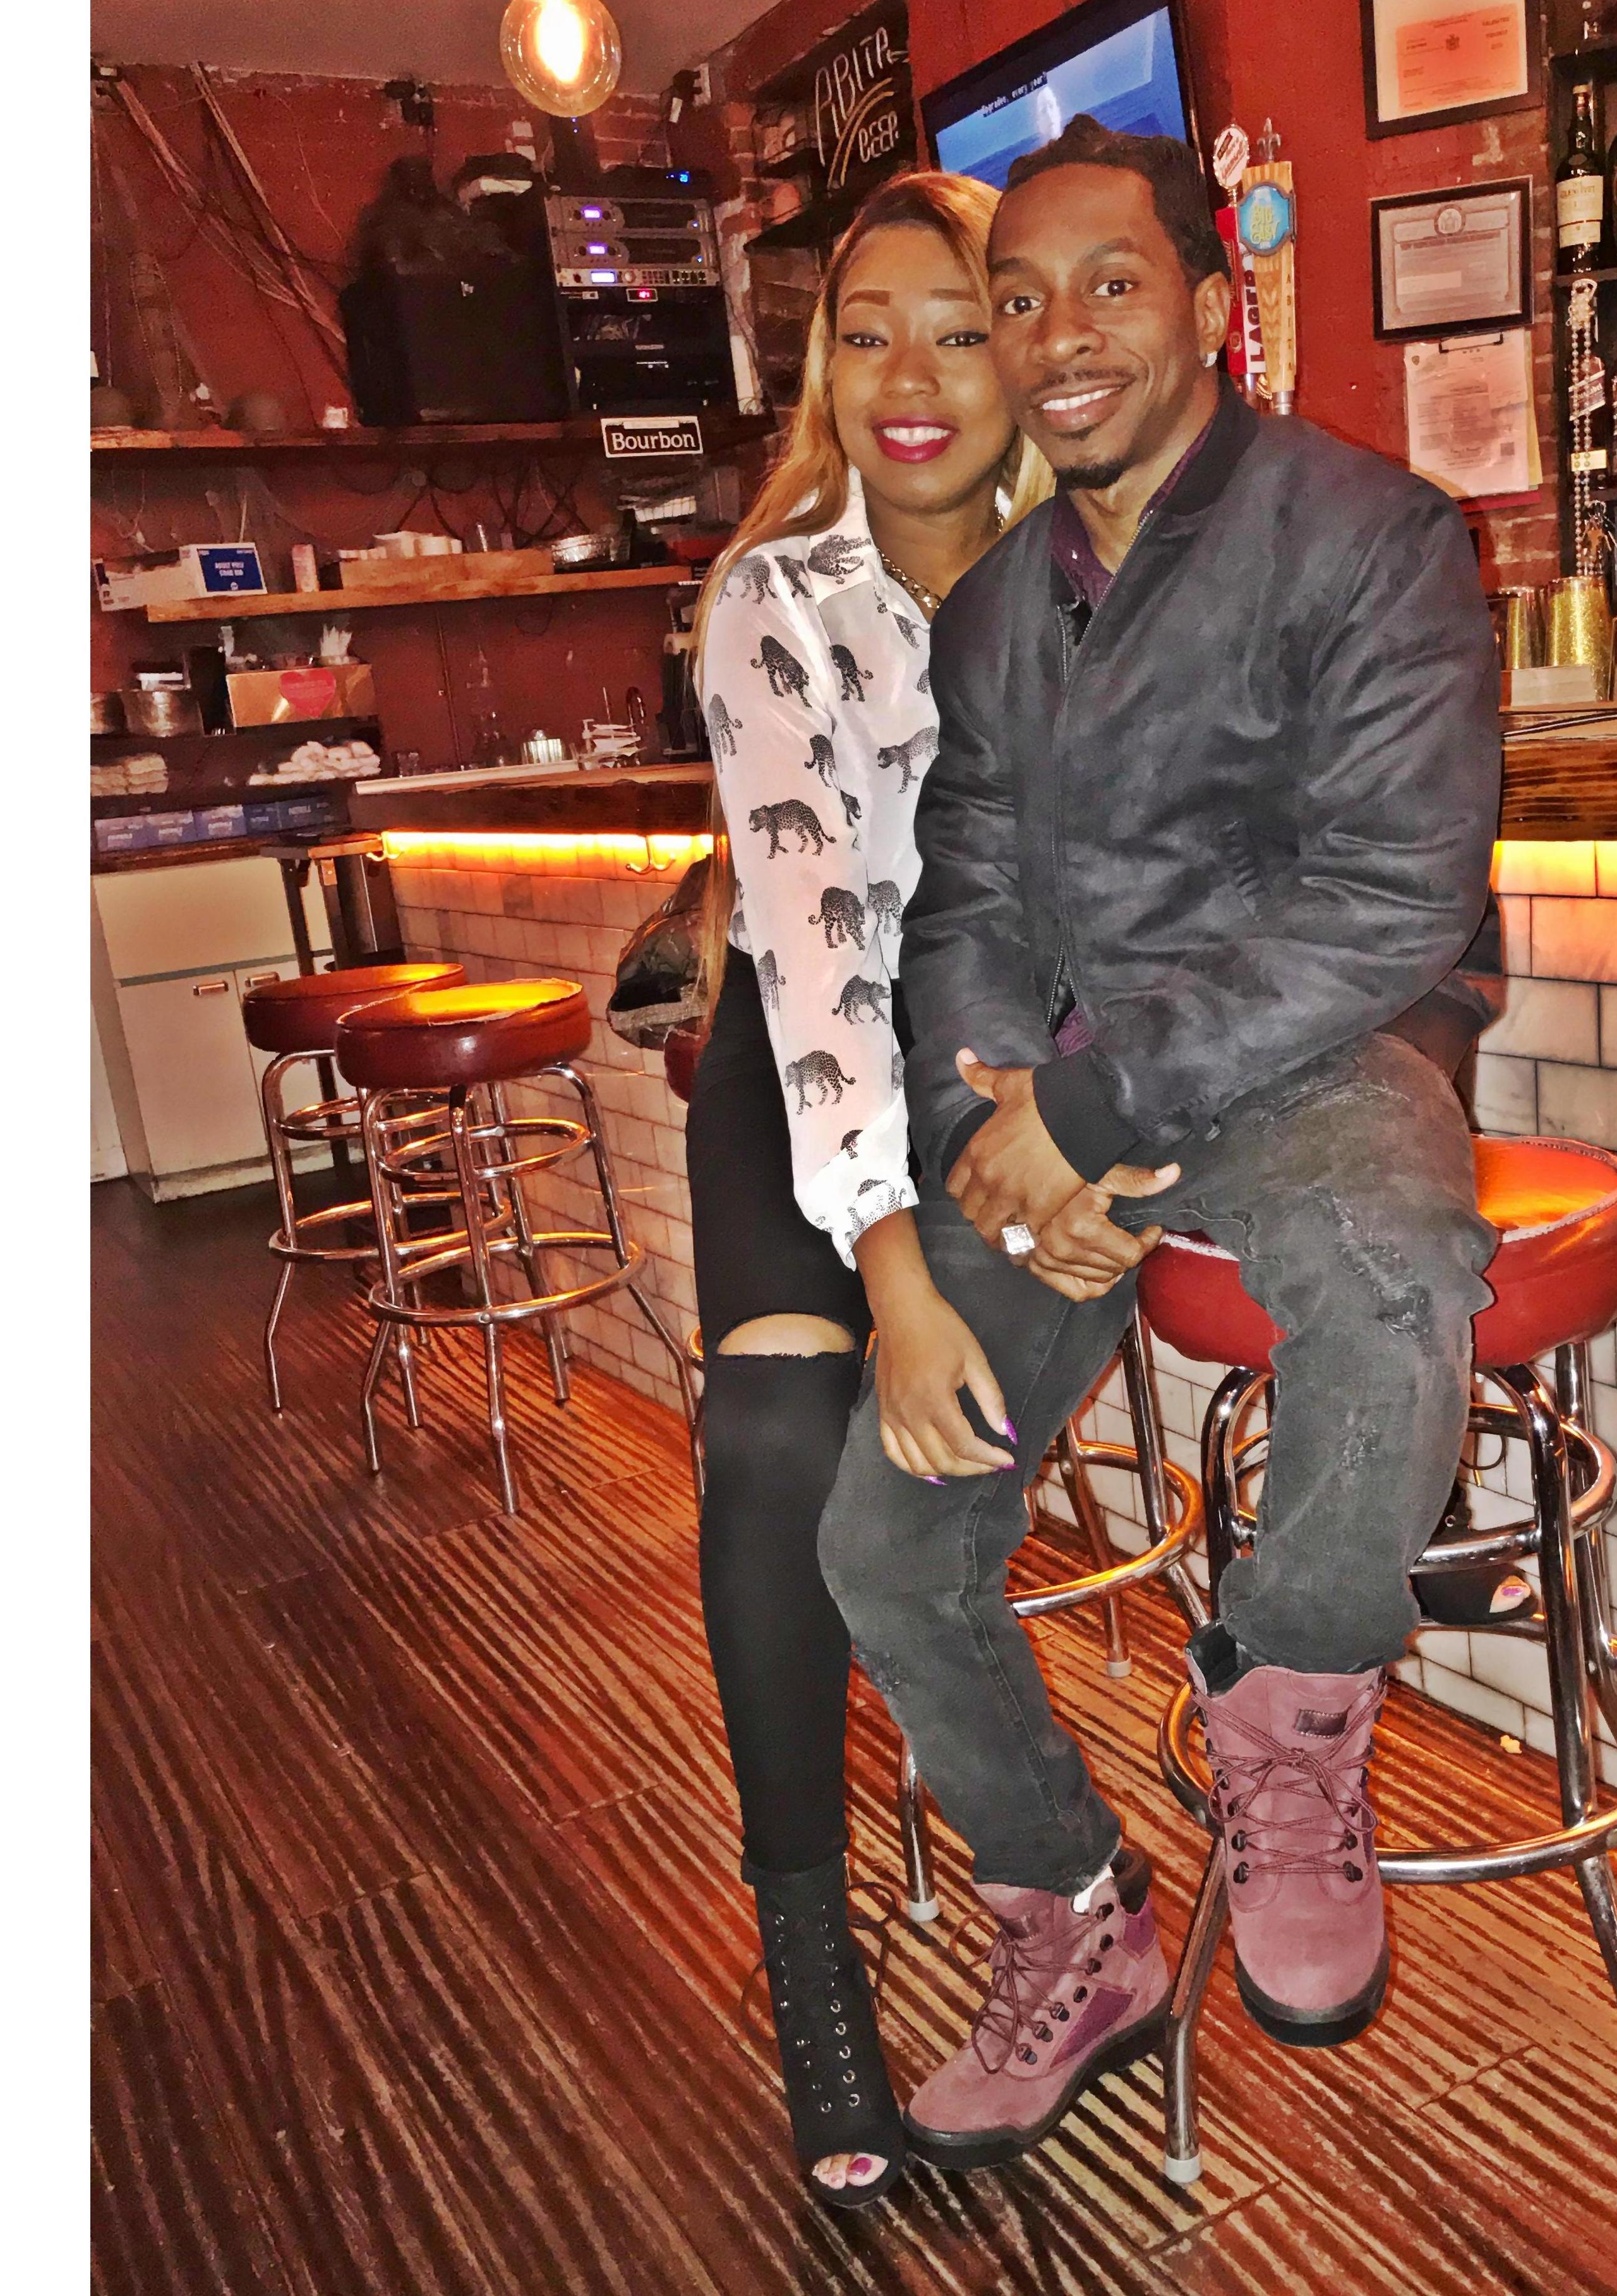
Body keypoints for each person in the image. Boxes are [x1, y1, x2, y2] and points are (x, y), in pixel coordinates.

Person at [815, 116, 1507, 2172]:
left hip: (1315, 1059)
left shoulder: (1370, 534)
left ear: (1211, 305)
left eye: (1109, 286)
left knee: (1393, 1282)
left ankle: (1290, 1720)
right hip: (1062, 1095)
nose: (1059, 338)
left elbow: (1389, 898)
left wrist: (1094, 1110)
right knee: (882, 1537)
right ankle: (1074, 1911)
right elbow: (963, 902)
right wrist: (993, 1120)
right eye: (1019, 301)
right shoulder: (996, 612)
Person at [685, 169, 1050, 2210]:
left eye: (960, 327)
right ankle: (813, 1972)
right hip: (802, 1058)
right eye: (868, 330)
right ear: (824, 368)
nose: (912, 375)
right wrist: (893, 1271)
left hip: (992, 1067)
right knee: (774, 1433)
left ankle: (1063, 1891)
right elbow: (819, 971)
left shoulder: (1093, 575)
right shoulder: (775, 599)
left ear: (1026, 355)